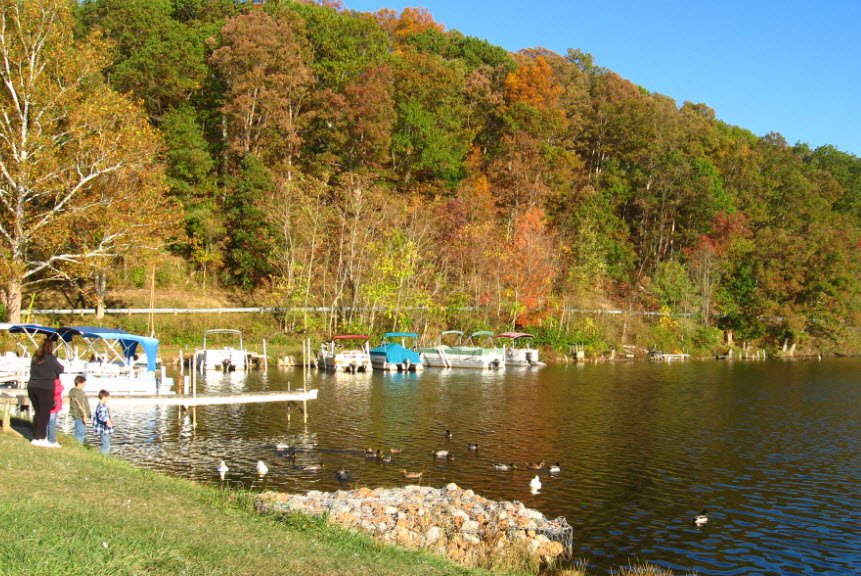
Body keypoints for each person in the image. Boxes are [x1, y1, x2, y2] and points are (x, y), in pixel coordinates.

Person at [27, 338, 64, 447]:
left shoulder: (35, 358)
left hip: (32, 386)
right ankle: (41, 438)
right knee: (44, 414)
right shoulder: (51, 359)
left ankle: (35, 437)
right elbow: (61, 369)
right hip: (45, 388)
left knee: (38, 412)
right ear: (50, 348)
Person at [68, 375, 91, 445]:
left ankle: (77, 445)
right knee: (80, 433)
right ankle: (79, 446)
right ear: (79, 383)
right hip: (80, 415)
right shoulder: (79, 393)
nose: (84, 385)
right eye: (84, 384)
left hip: (75, 414)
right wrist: (84, 416)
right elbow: (80, 405)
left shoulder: (72, 391)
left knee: (78, 431)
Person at [93, 389, 114, 454]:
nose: (108, 398)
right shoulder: (101, 406)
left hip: (104, 428)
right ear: (104, 397)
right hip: (103, 429)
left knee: (106, 443)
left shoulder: (103, 405)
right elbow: (101, 416)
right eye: (108, 397)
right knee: (106, 445)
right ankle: (103, 457)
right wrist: (107, 420)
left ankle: (103, 456)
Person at [45, 377, 64, 448]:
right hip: (54, 403)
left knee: (47, 421)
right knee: (51, 422)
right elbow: (55, 390)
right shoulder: (54, 379)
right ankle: (51, 440)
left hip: (51, 403)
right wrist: (61, 387)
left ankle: (46, 437)